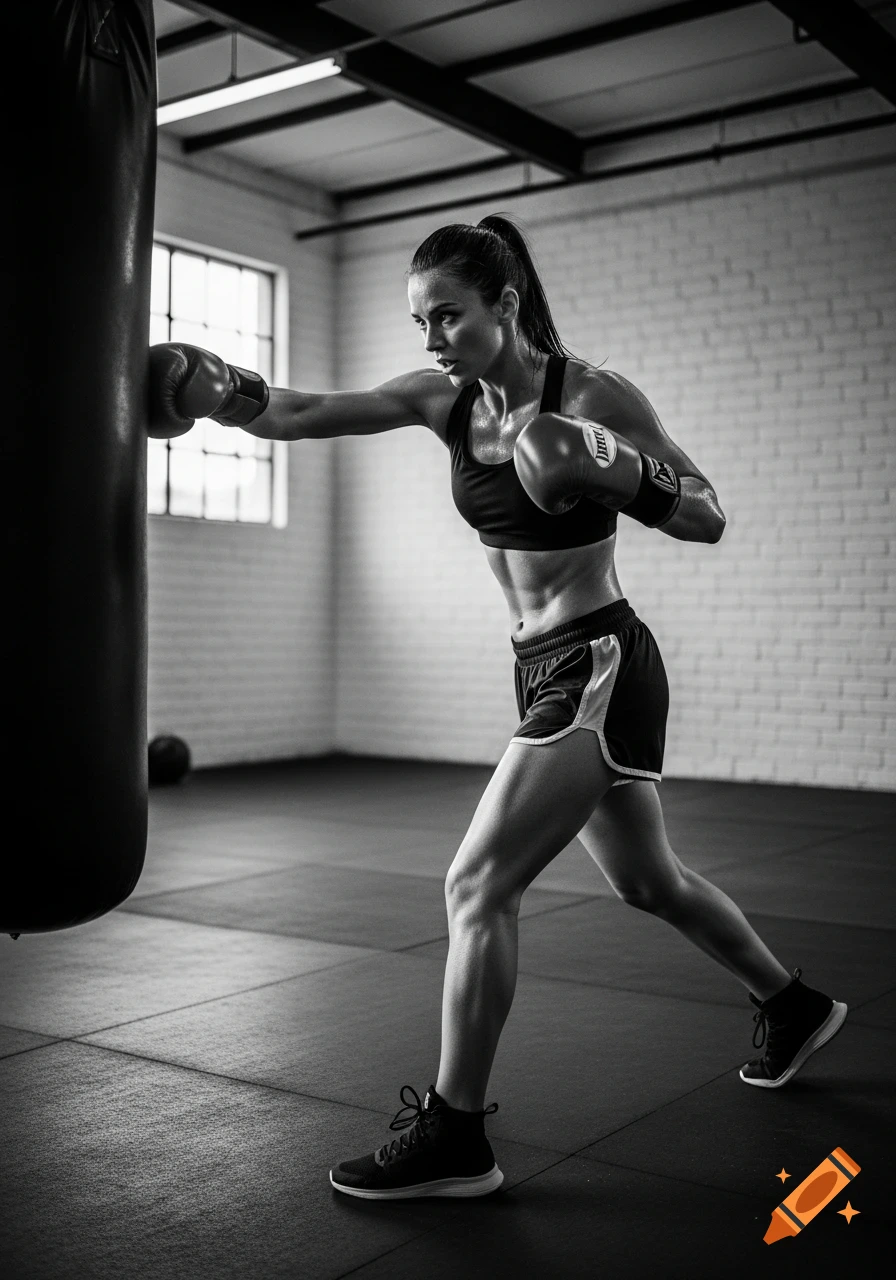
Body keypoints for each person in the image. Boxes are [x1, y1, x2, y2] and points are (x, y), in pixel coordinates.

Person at [148, 214, 848, 1202]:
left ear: (504, 305)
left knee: (474, 882)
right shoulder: (446, 399)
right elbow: (305, 410)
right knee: (646, 880)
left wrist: (611, 463)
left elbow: (704, 508)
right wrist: (222, 395)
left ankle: (455, 1131)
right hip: (536, 664)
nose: (431, 341)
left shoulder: (589, 394)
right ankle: (791, 1001)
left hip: (598, 659)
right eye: (420, 321)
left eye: (448, 317)